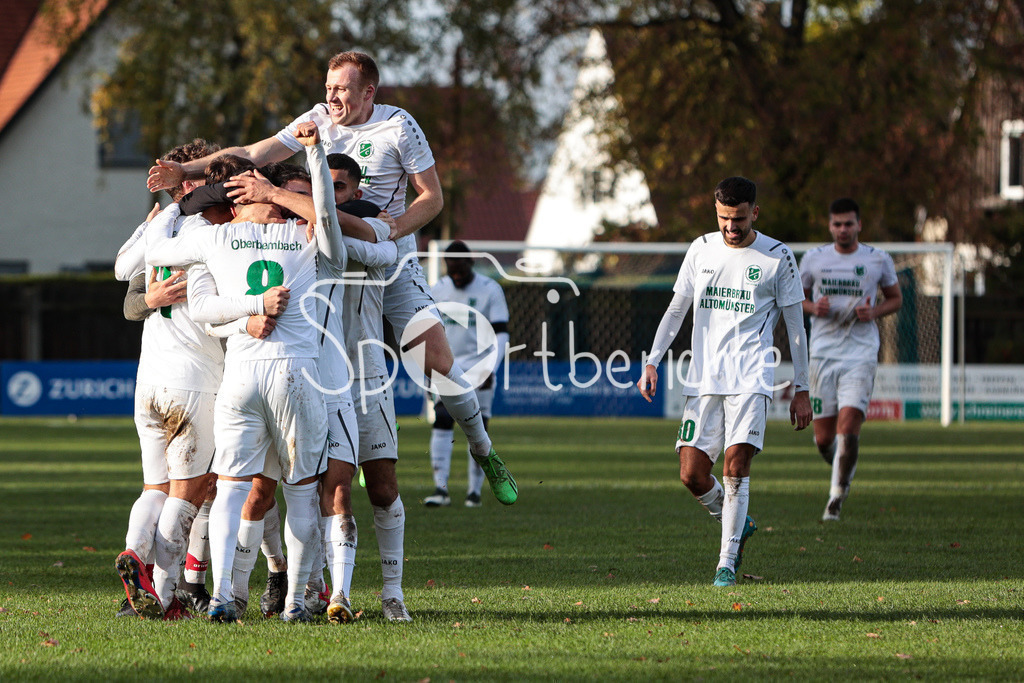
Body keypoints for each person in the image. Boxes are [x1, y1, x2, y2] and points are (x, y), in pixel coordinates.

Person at [146, 50, 518, 507]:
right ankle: (356, 446)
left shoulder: (398, 126)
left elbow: (433, 197)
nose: (331, 97)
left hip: (389, 256)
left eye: (341, 88)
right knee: (324, 357)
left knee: (436, 361)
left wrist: (394, 228)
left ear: (368, 92)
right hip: (329, 253)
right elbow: (252, 153)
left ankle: (483, 449)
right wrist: (184, 171)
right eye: (328, 88)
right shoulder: (317, 119)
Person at [144, 123, 350, 622]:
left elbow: (156, 254)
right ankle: (297, 603)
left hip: (241, 376)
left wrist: (175, 201)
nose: (276, 205)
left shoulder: (217, 238)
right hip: (296, 377)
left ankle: (220, 598)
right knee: (301, 491)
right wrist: (314, 153)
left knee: (233, 488)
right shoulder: (301, 237)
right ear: (253, 197)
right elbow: (327, 219)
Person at [113, 138, 271, 620]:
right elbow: (206, 312)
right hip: (195, 380)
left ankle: (137, 557)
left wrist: (150, 293)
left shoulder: (162, 227)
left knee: (154, 489)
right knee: (187, 493)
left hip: (149, 380)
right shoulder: (213, 235)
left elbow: (123, 270)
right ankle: (162, 595)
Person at [636, 176, 813, 587]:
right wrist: (652, 361)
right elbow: (676, 309)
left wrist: (803, 388)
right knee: (691, 475)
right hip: (703, 379)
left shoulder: (777, 257)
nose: (730, 227)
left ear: (755, 212)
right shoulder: (700, 250)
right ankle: (736, 521)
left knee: (736, 465)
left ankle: (726, 563)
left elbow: (795, 327)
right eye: (723, 218)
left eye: (738, 219)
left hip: (751, 376)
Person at [799, 198, 902, 521]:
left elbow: (895, 298)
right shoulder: (814, 259)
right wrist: (813, 307)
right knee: (824, 439)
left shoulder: (877, 259)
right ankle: (843, 467)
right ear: (830, 226)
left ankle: (835, 499)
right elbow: (796, 298)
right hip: (822, 353)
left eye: (849, 224)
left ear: (859, 225)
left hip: (860, 353)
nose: (843, 229)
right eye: (837, 224)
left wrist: (874, 312)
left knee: (848, 428)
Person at [424, 241, 509, 508]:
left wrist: (492, 368)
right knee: (442, 420)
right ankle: (441, 489)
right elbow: (425, 332)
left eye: (461, 268)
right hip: (446, 367)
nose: (456, 274)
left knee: (479, 428)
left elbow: (502, 333)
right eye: (452, 268)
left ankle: (474, 492)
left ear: (471, 262)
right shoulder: (438, 289)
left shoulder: (490, 289)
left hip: (480, 367)